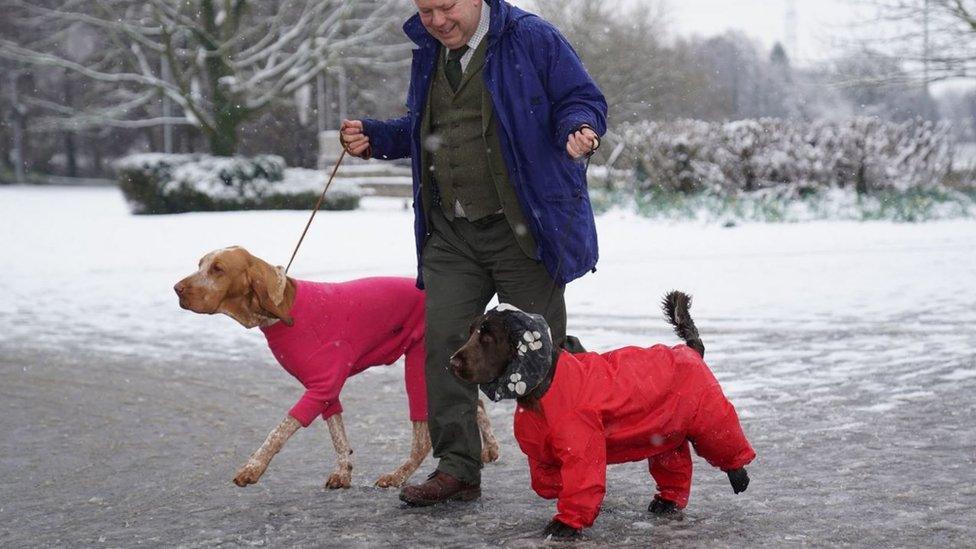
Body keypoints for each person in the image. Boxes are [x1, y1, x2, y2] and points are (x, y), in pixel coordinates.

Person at [339, 0, 607, 506]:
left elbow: (581, 98)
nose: (437, 21)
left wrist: (579, 125)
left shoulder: (531, 38)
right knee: (444, 344)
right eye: (425, 10)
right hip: (451, 234)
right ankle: (458, 467)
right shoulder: (428, 52)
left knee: (542, 355)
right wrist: (377, 138)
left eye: (446, 7)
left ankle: (576, 451)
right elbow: (429, 130)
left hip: (523, 230)